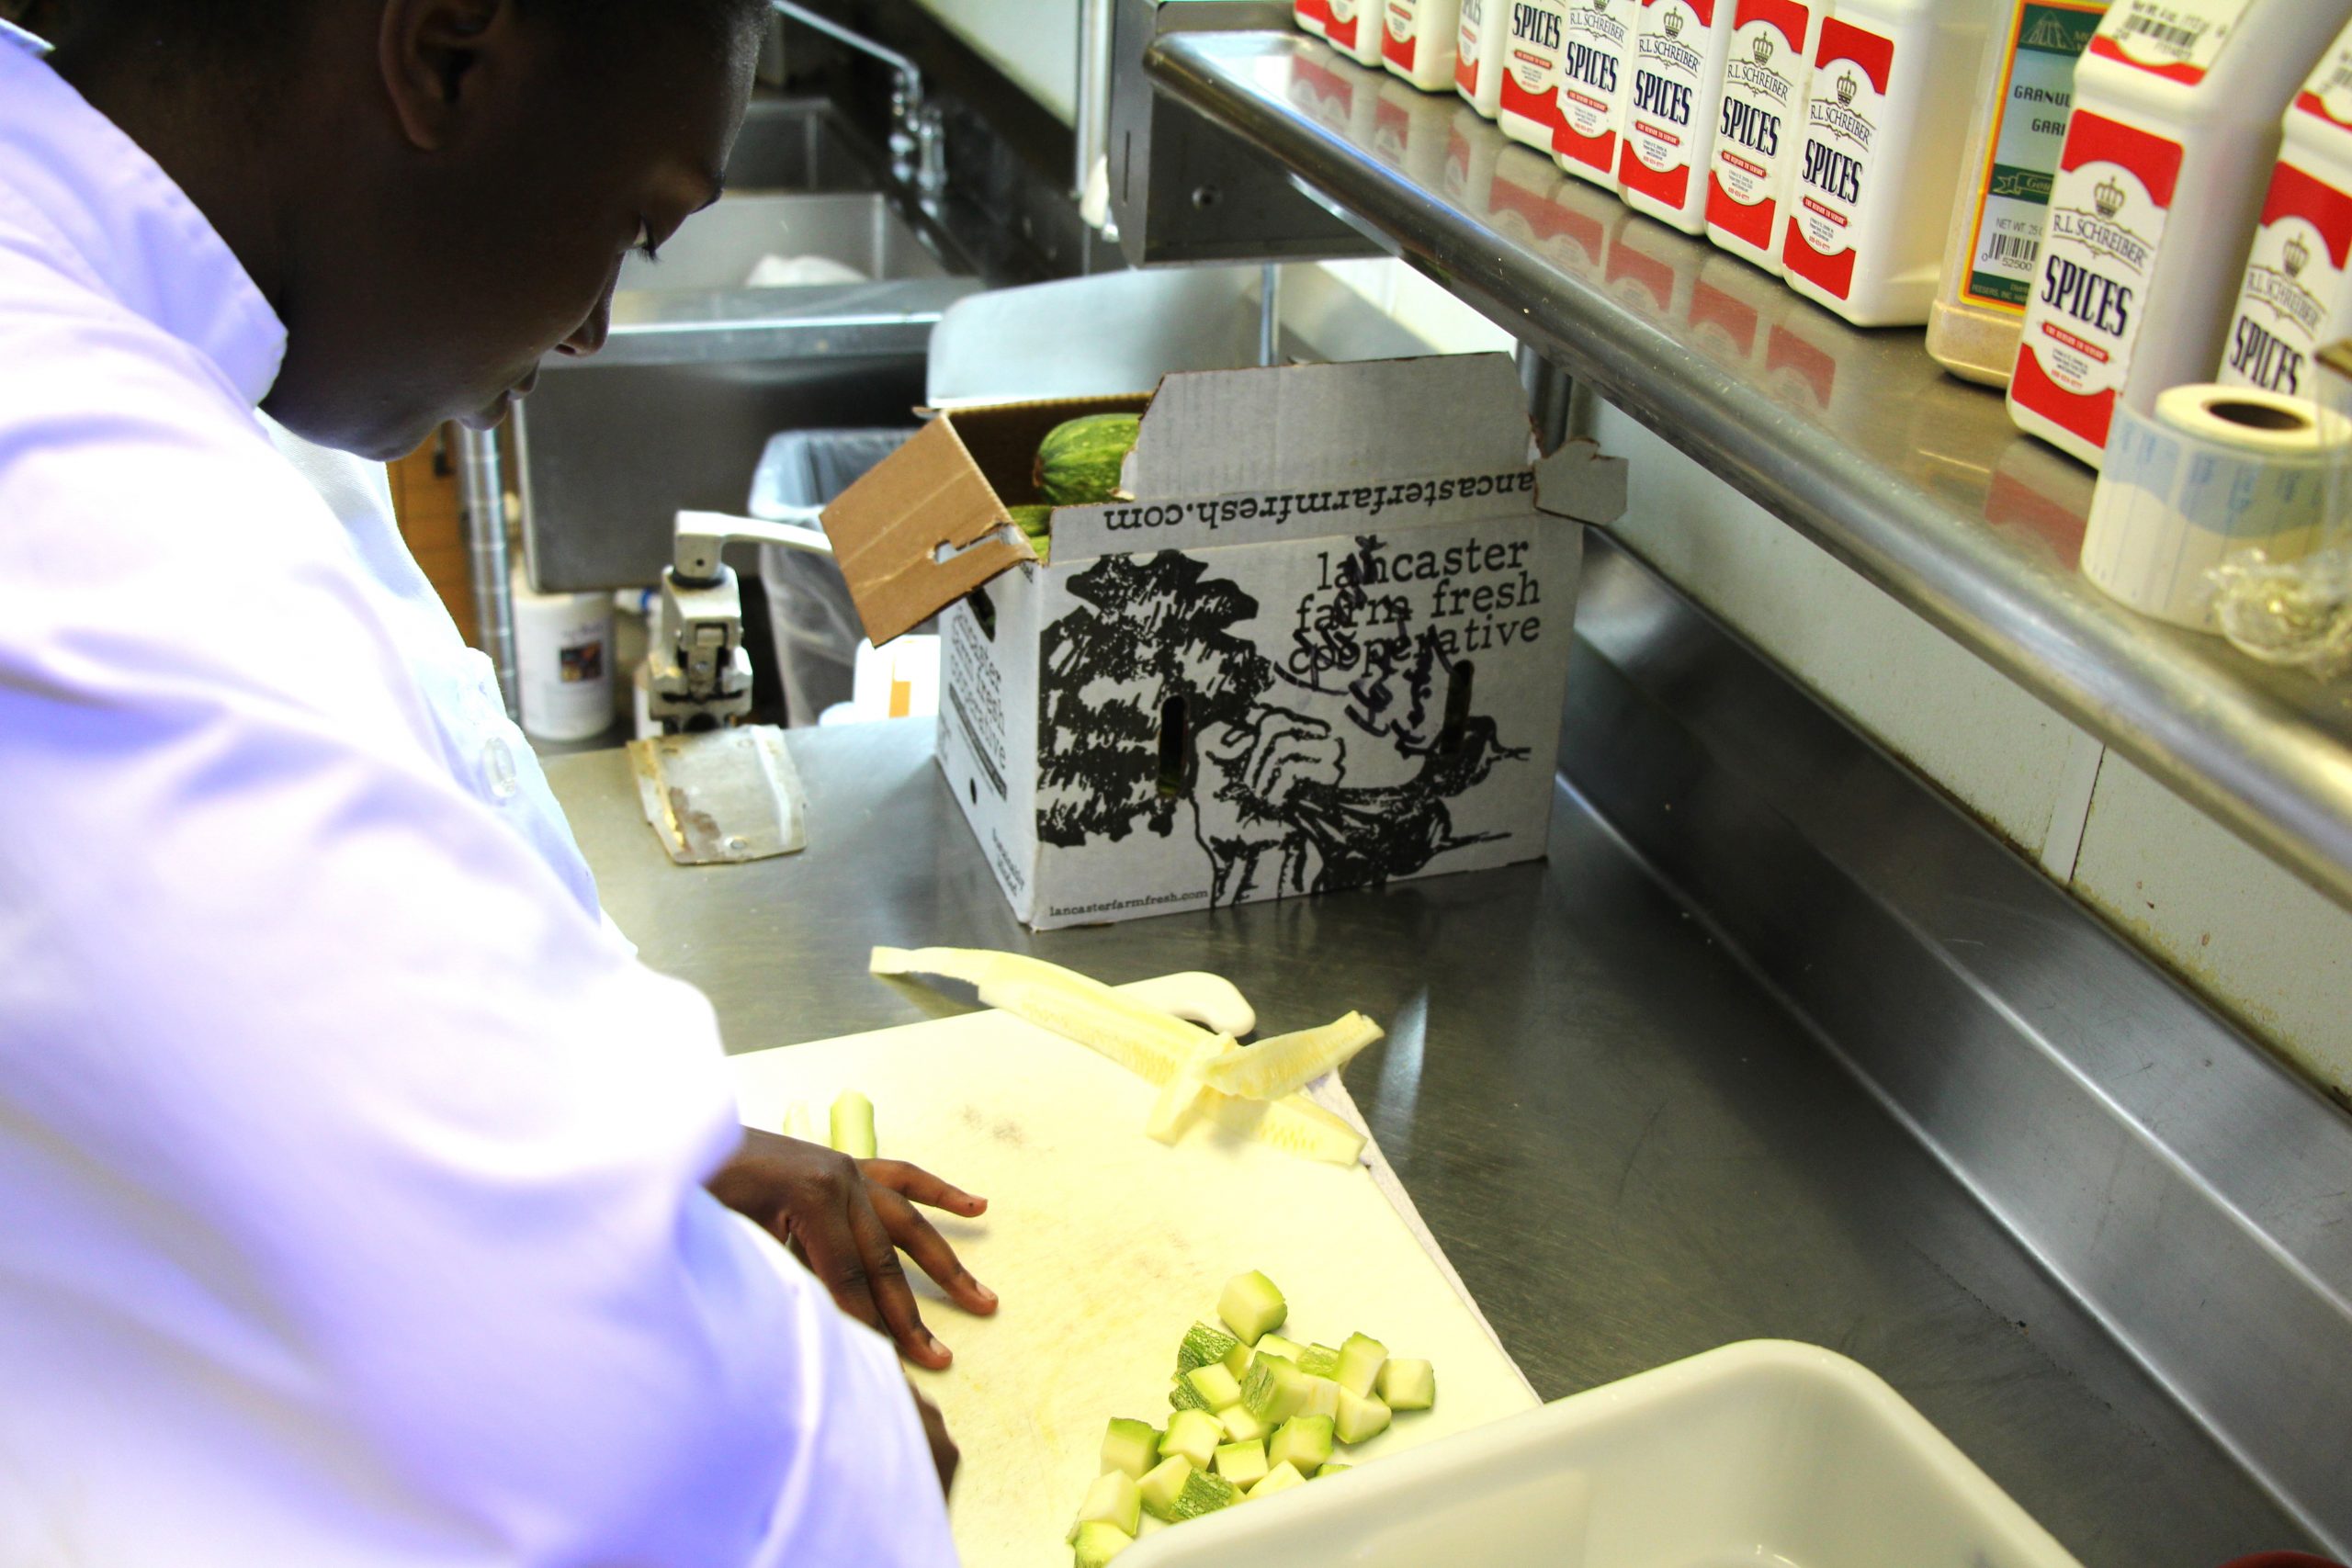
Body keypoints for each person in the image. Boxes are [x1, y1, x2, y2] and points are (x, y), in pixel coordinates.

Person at [0, 2, 989, 1562]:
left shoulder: (124, 299)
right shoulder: (84, 511)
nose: (593, 328)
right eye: (636, 224)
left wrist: (627, 1137)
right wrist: (814, 1433)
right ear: (447, 56)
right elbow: (624, 1458)